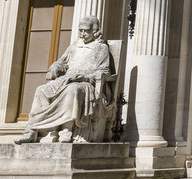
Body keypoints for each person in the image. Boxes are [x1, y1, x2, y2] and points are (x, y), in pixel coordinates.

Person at [15, 15, 116, 143]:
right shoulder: (74, 46)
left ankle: (66, 129)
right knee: (42, 90)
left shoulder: (101, 48)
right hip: (66, 79)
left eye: (86, 31)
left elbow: (104, 71)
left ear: (95, 32)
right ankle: (36, 129)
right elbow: (62, 63)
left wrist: (85, 77)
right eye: (81, 30)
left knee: (73, 90)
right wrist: (55, 67)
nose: (83, 34)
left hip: (85, 83)